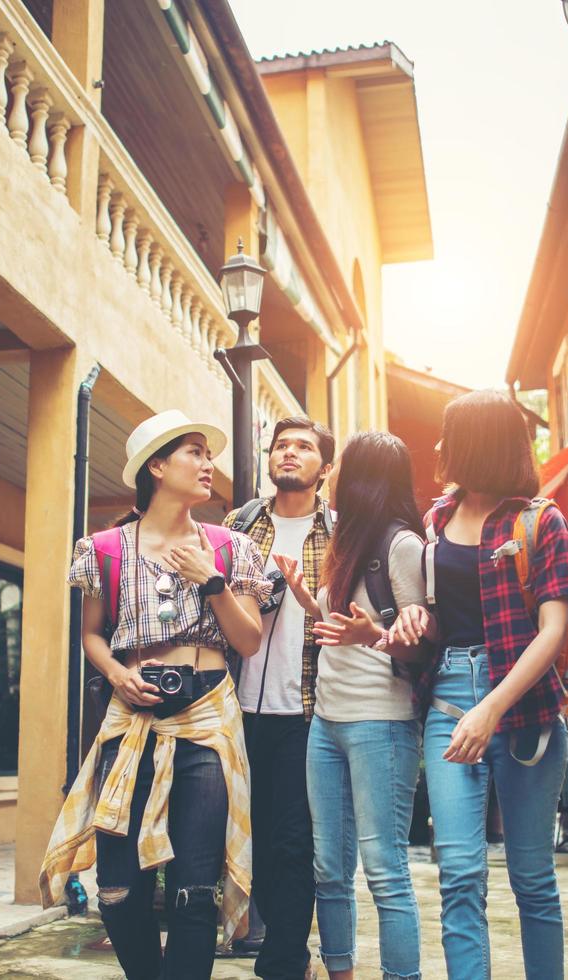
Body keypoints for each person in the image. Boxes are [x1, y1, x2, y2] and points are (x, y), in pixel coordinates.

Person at [40, 410, 272, 980]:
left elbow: (249, 640)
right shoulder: (103, 549)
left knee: (196, 888)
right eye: (194, 452)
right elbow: (91, 634)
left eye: (207, 454)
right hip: (130, 719)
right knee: (118, 889)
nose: (207, 463)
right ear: (157, 466)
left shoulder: (228, 547)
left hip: (206, 720)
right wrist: (117, 675)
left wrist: (209, 579)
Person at [389, 390, 568, 980]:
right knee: (460, 875)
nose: (440, 446)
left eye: (451, 435)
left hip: (524, 707)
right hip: (449, 695)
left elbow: (553, 631)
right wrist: (414, 619)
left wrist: (492, 709)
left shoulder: (539, 520)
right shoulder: (436, 520)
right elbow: (442, 614)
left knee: (531, 876)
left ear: (480, 442)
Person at [277, 431, 428, 980]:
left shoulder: (402, 545)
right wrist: (299, 591)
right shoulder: (347, 540)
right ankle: (340, 971)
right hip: (328, 723)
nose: (331, 473)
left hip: (381, 725)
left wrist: (376, 635)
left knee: (385, 869)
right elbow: (331, 627)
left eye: (340, 465)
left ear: (363, 476)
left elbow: (419, 640)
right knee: (329, 869)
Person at [225, 416, 336, 980]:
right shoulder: (239, 526)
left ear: (325, 466)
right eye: (281, 445)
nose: (289, 453)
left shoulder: (340, 533)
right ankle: (276, 946)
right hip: (237, 708)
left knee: (294, 841)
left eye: (304, 447)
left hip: (307, 710)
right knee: (258, 838)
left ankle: (285, 963)